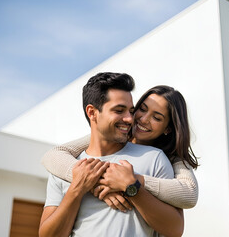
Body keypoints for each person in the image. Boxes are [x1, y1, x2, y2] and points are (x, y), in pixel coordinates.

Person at [39, 72, 184, 237]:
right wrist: (77, 189)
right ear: (92, 112)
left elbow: (175, 229)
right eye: (119, 110)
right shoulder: (66, 167)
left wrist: (133, 188)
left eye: (131, 110)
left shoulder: (154, 158)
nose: (130, 119)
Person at [42, 85, 199, 211]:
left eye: (156, 118)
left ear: (168, 129)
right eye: (142, 109)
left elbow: (189, 194)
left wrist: (132, 181)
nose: (144, 119)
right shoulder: (115, 137)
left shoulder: (169, 158)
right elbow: (53, 155)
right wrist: (97, 182)